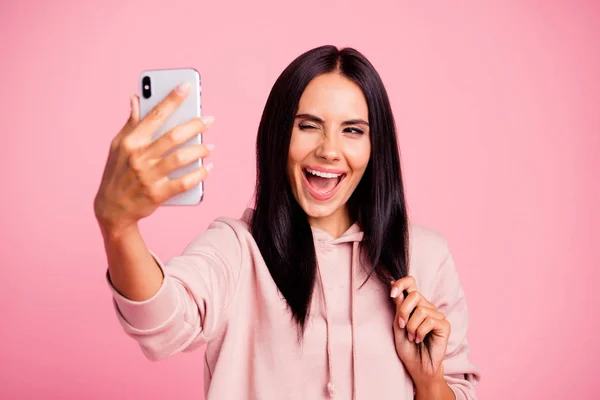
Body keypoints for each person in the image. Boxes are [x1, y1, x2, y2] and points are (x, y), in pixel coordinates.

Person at [94, 45, 480, 400]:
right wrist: (119, 228)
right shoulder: (237, 249)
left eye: (352, 130)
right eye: (308, 125)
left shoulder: (427, 256)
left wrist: (428, 380)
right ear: (278, 135)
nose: (329, 150)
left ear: (375, 146)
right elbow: (162, 324)